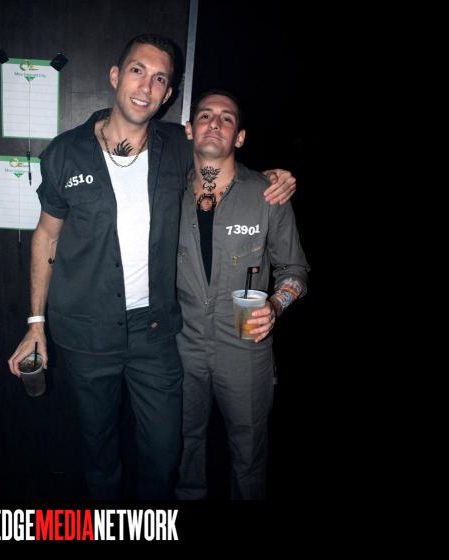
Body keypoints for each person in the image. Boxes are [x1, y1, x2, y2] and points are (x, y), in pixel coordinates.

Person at [8, 34, 297, 500]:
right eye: (137, 71)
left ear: (168, 95)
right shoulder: (65, 152)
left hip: (156, 333)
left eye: (160, 79)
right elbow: (46, 235)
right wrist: (35, 322)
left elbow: (220, 160)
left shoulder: (176, 149)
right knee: (99, 451)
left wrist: (270, 178)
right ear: (115, 76)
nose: (146, 86)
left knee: (165, 453)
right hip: (86, 332)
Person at [175, 90, 310, 500]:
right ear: (189, 129)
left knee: (248, 454)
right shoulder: (166, 191)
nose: (214, 123)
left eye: (227, 118)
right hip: (181, 346)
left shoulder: (267, 194)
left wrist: (276, 304)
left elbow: (295, 271)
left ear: (240, 137)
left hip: (245, 349)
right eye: (205, 116)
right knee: (183, 447)